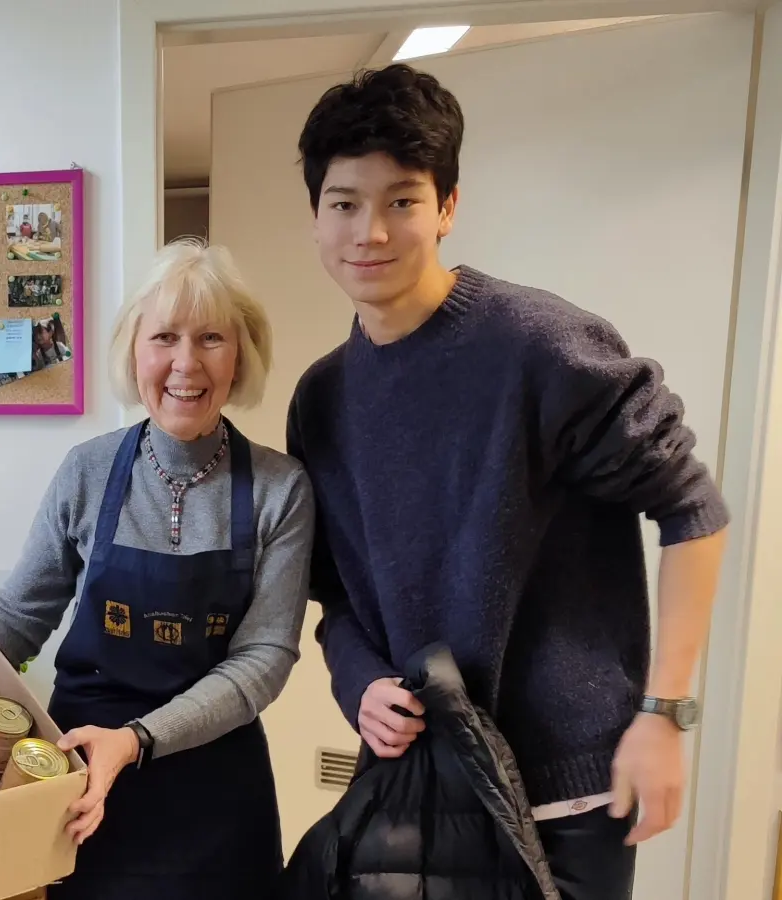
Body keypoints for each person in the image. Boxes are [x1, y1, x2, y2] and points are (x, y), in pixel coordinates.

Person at [286, 64, 729, 900]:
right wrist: (360, 683)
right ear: (316, 217)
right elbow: (335, 596)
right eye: (344, 203)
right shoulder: (322, 400)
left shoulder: (539, 346)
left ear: (447, 207)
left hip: (567, 793)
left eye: (402, 201)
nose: (370, 232)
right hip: (423, 783)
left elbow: (692, 512)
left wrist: (664, 714)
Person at [0, 240, 311, 898]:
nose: (185, 363)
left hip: (217, 792)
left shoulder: (281, 489)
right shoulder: (88, 471)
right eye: (164, 336)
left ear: (240, 353)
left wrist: (136, 739)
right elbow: (18, 618)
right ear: (134, 350)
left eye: (211, 337)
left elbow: (263, 658)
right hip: (83, 789)